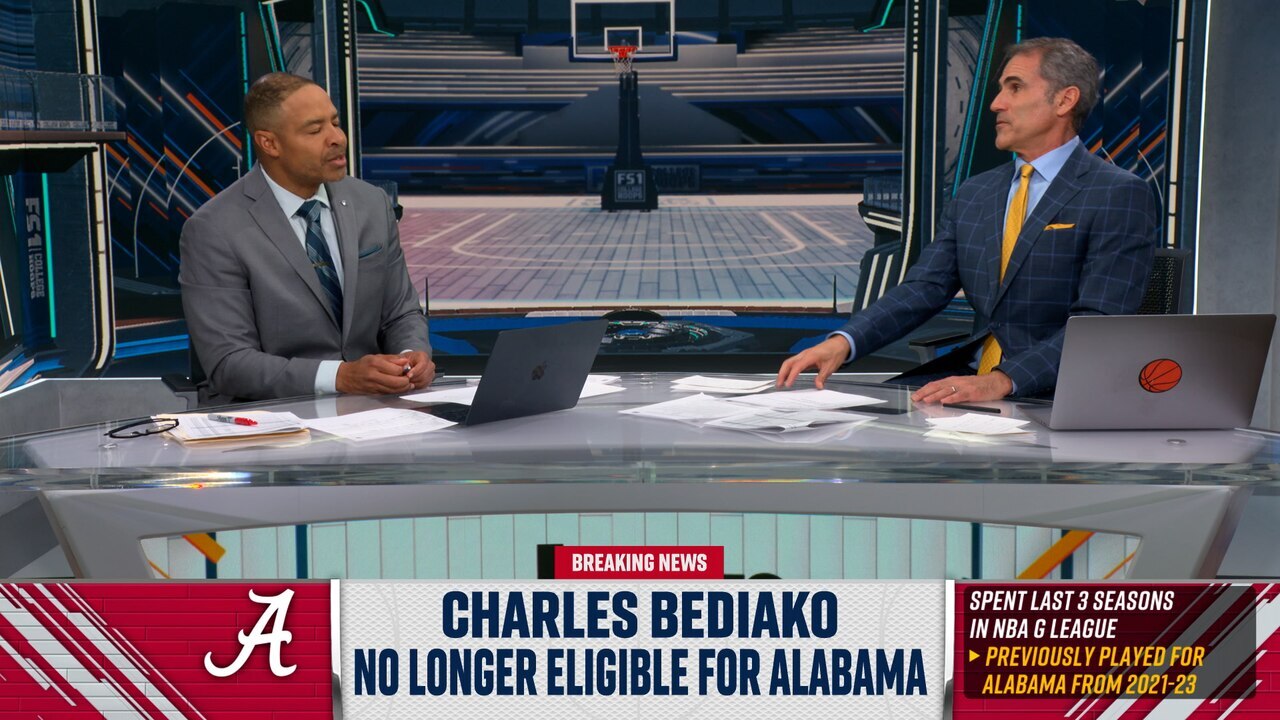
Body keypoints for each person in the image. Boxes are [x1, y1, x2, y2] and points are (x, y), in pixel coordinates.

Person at [777, 37, 1158, 402]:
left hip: (1053, 393)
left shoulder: (1117, 194)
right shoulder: (977, 192)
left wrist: (1003, 380)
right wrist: (843, 342)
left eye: (1014, 87)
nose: (996, 104)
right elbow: (925, 287)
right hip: (971, 381)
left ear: (1064, 100)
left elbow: (1096, 323)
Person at [180, 72, 435, 404]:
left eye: (335, 123)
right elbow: (230, 364)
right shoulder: (215, 229)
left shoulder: (371, 203)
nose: (337, 138)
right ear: (269, 143)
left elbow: (401, 313)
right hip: (273, 417)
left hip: (375, 407)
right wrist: (341, 377)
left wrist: (410, 356)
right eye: (315, 130)